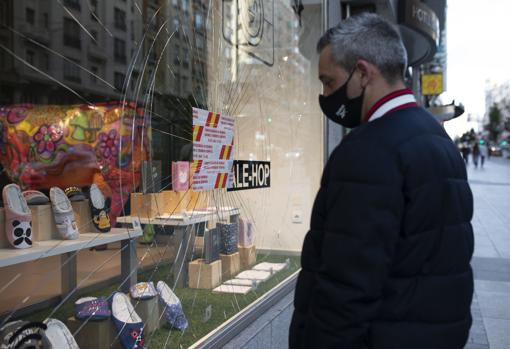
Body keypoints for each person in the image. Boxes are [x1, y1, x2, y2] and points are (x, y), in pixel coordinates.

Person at [289, 13, 474, 349]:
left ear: (362, 73)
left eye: (329, 82)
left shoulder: (368, 151)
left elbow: (346, 289)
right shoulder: (438, 140)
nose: (326, 94)